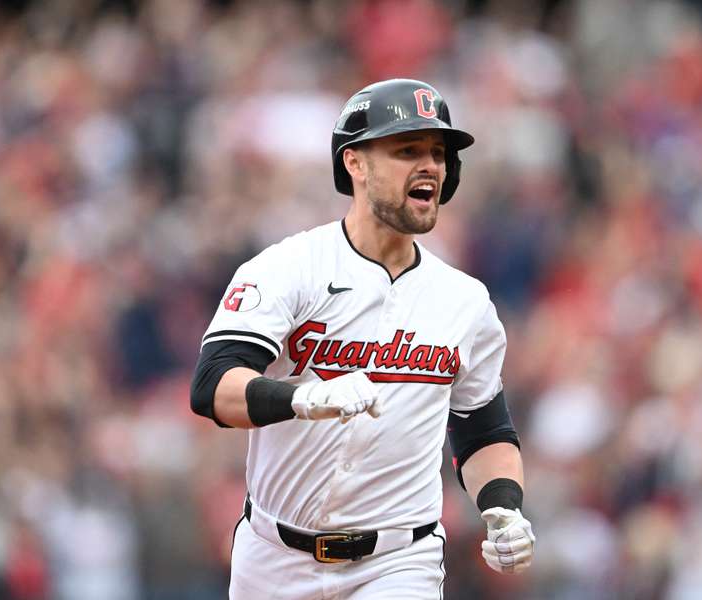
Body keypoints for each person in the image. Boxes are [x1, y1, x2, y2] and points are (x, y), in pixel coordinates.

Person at [190, 78, 536, 599]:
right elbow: (212, 386)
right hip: (273, 558)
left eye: (439, 154)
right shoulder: (290, 267)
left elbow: (484, 431)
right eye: (407, 150)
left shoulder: (465, 302)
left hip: (399, 562)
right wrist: (302, 397)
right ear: (355, 163)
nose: (431, 167)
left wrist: (503, 506)